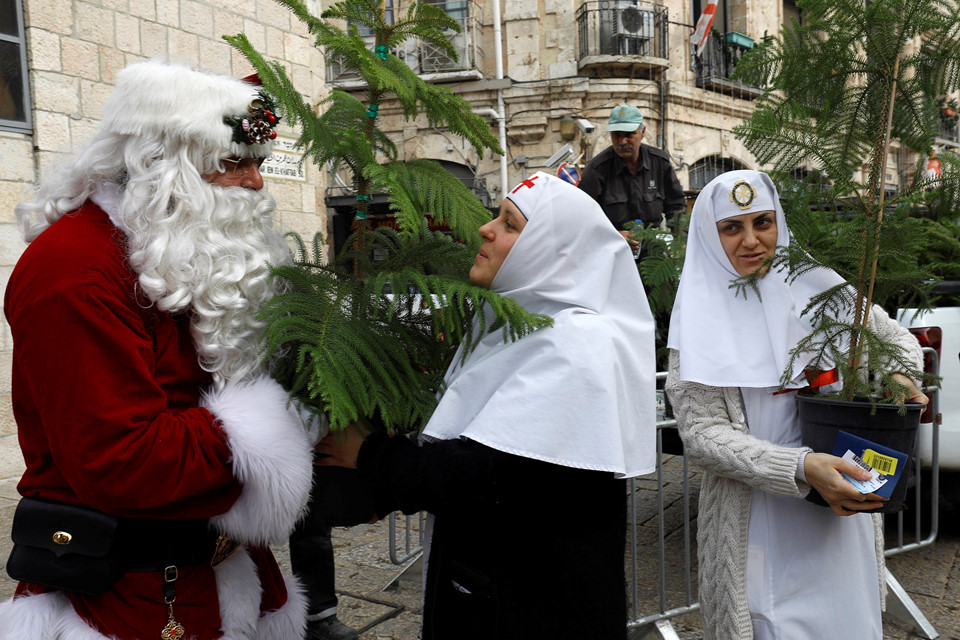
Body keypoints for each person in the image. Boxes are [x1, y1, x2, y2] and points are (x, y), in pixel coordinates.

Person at [0, 58, 315, 639]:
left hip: (220, 567)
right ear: (164, 165)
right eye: (234, 162)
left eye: (258, 163)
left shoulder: (175, 251)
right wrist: (283, 424)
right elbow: (122, 459)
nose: (256, 183)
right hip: (129, 592)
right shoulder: (77, 270)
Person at [316, 171, 658, 640]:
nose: (485, 228)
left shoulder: (579, 341)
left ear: (552, 253)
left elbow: (491, 476)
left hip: (533, 610)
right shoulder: (517, 320)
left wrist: (372, 456)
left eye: (510, 223)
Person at [664, 170, 929, 639]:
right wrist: (801, 468)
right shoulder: (698, 321)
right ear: (710, 234)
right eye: (732, 228)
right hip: (757, 524)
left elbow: (896, 340)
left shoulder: (819, 289)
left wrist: (896, 375)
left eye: (763, 222)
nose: (752, 241)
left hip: (840, 514)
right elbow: (702, 435)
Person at [578, 104, 685, 255]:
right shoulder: (597, 169)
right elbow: (582, 216)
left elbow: (676, 207)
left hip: (654, 254)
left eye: (629, 134)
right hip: (612, 252)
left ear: (642, 132)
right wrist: (613, 236)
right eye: (617, 135)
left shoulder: (659, 162)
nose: (622, 142)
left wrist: (681, 243)